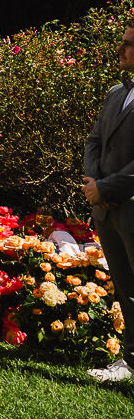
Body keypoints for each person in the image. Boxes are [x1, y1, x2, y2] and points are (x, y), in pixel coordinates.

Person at [82, 22, 134, 382]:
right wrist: (93, 183)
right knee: (126, 289)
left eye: (129, 44)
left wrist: (106, 188)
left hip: (129, 205)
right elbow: (94, 141)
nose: (121, 50)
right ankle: (130, 360)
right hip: (106, 209)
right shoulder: (117, 92)